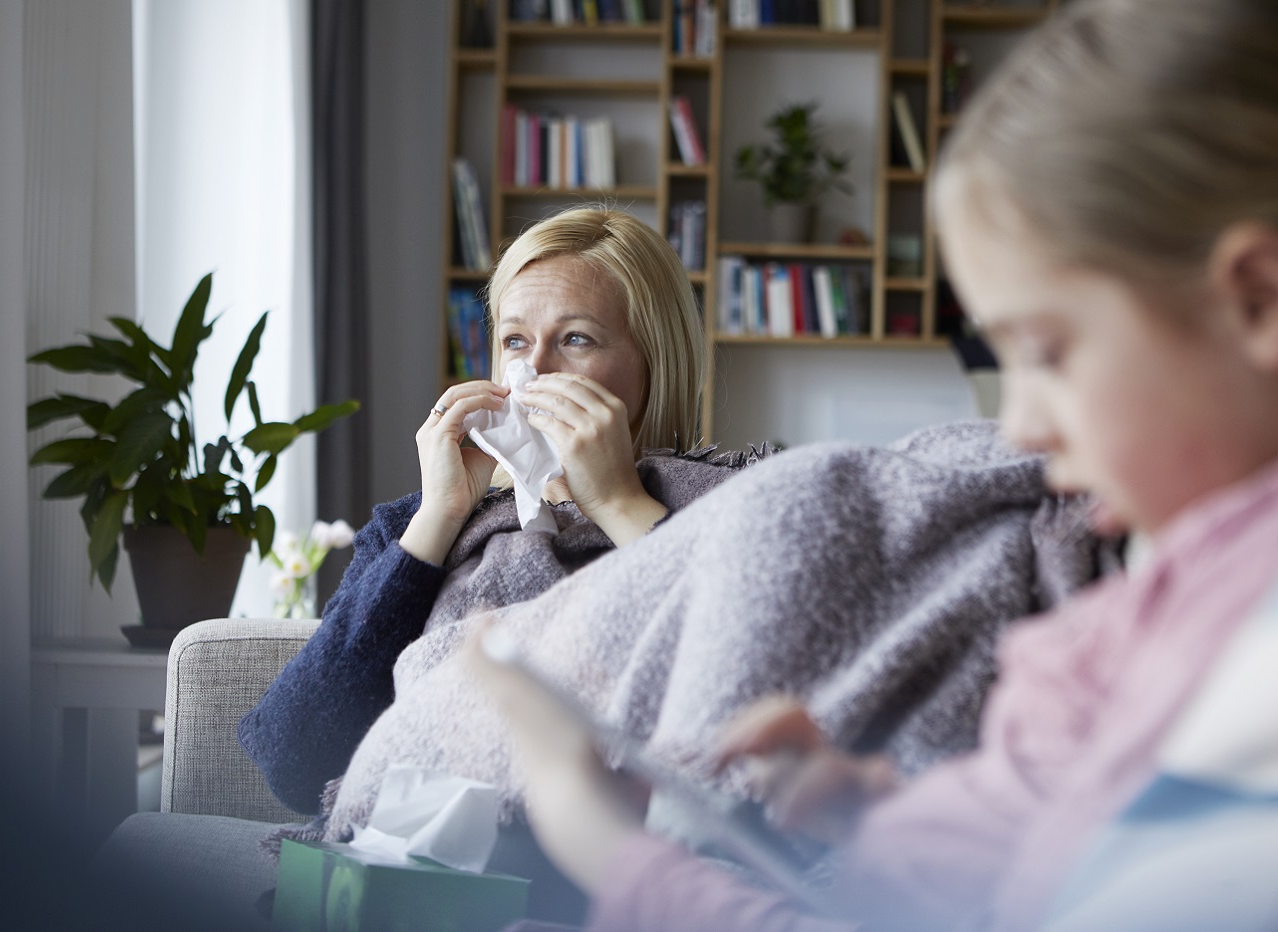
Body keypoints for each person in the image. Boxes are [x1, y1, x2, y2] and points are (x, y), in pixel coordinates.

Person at [467, 0, 1278, 928]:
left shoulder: (1248, 647)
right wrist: (872, 820)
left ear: (1256, 301)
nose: (1018, 426)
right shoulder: (1165, 599)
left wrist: (607, 849)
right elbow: (1052, 849)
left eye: (1047, 351)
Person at [239, 206, 758, 815]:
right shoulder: (418, 527)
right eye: (514, 340)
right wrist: (437, 518)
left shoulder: (735, 503)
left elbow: (757, 700)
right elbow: (293, 760)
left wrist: (618, 503)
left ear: (654, 360)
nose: (533, 370)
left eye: (576, 339)